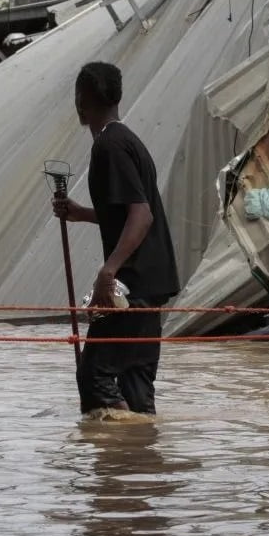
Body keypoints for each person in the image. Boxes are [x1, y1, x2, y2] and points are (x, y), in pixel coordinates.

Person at [52, 62, 180, 420]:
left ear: (81, 101)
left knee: (93, 376)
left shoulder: (109, 145)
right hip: (151, 283)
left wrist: (108, 271)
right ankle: (139, 461)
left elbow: (142, 215)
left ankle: (122, 451)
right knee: (136, 385)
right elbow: (128, 213)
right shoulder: (128, 140)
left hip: (132, 284)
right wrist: (83, 213)